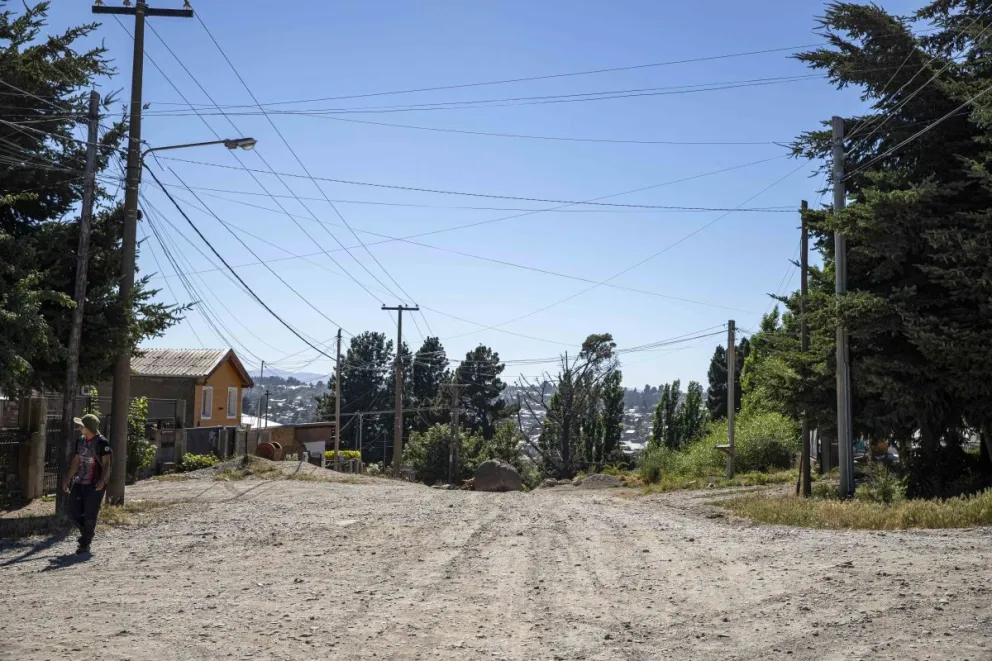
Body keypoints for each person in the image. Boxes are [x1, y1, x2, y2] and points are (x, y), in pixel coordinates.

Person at [62, 413, 113, 554]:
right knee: (72, 510)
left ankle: (85, 543)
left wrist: (102, 481)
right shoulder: (80, 441)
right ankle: (87, 531)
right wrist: (68, 478)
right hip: (80, 481)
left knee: (90, 513)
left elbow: (107, 463)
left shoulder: (102, 443)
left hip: (95, 483)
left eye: (81, 425)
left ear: (88, 427)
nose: (79, 427)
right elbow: (76, 460)